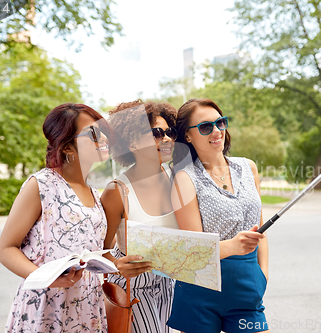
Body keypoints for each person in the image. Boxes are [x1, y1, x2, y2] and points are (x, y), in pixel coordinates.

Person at [0, 103, 113, 332]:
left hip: (87, 306)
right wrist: (46, 277)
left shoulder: (92, 190)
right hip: (47, 306)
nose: (103, 137)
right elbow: (6, 249)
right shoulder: (41, 184)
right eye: (93, 132)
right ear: (68, 147)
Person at [167, 98, 269, 333]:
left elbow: (261, 229)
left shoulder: (248, 168)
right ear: (188, 137)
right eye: (205, 127)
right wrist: (233, 246)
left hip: (248, 285)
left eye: (220, 123)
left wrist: (262, 275)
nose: (216, 131)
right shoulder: (184, 178)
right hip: (201, 290)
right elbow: (194, 248)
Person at [101, 100, 179, 333]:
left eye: (170, 132)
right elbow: (100, 249)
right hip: (133, 287)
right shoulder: (116, 191)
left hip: (172, 283)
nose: (167, 139)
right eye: (156, 133)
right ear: (132, 142)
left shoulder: (179, 178)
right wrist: (116, 265)